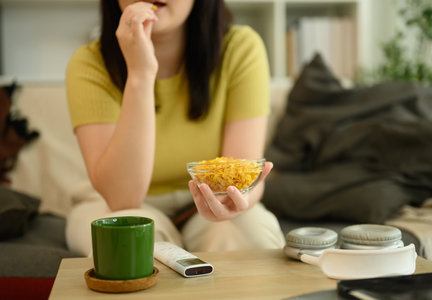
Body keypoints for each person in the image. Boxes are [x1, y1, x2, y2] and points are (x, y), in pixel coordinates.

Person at [65, 0, 285, 256]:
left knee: (254, 232)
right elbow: (122, 199)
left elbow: (241, 173)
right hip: (109, 204)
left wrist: (235, 201)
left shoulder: (240, 48)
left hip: (204, 202)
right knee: (129, 243)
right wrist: (140, 74)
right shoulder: (90, 63)